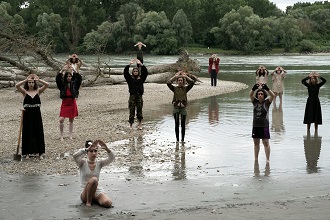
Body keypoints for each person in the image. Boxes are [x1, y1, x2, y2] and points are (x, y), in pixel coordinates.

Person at [73, 139, 115, 208]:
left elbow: (112, 158)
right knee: (94, 179)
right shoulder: (82, 163)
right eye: (91, 151)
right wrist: (86, 149)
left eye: (95, 151)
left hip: (96, 190)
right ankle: (88, 202)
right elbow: (75, 156)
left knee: (108, 203)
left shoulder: (99, 163)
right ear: (87, 152)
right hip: (85, 193)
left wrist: (107, 149)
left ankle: (96, 199)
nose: (93, 153)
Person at [15, 73, 49, 158]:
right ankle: (27, 153)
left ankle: (40, 152)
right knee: (27, 131)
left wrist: (38, 79)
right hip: (27, 114)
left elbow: (47, 84)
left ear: (34, 83)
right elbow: (17, 85)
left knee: (38, 131)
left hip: (37, 114)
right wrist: (26, 80)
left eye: (32, 82)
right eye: (29, 82)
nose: (31, 84)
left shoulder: (38, 91)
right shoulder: (24, 92)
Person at [249, 83, 275, 163]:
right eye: (259, 94)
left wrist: (267, 88)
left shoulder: (267, 103)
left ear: (264, 95)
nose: (260, 95)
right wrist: (254, 88)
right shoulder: (255, 102)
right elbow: (250, 95)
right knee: (256, 143)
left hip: (264, 125)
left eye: (262, 94)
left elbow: (273, 96)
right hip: (256, 125)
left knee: (266, 142)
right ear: (257, 95)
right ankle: (256, 159)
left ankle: (267, 159)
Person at [167, 71, 195, 143]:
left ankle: (182, 140)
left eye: (181, 80)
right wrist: (175, 77)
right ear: (177, 81)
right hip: (176, 108)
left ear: (183, 81)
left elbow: (192, 82)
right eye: (179, 80)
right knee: (176, 124)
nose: (180, 82)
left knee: (183, 124)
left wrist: (186, 77)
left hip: (183, 108)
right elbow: (168, 83)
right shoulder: (174, 88)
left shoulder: (186, 89)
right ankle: (177, 140)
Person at [56, 70, 82, 140]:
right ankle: (61, 135)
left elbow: (79, 78)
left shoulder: (74, 84)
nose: (68, 77)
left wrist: (75, 71)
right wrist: (62, 71)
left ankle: (70, 135)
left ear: (72, 77)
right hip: (65, 102)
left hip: (72, 102)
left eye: (70, 76)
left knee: (71, 120)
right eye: (67, 76)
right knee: (61, 119)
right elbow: (58, 79)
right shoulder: (62, 84)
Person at [123, 59, 148, 129]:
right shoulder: (129, 79)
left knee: (139, 110)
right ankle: (131, 124)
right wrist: (129, 64)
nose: (135, 72)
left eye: (137, 71)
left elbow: (145, 72)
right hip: (132, 96)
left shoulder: (141, 78)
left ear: (138, 72)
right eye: (134, 71)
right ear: (132, 72)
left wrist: (141, 65)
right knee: (131, 110)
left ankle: (140, 124)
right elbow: (125, 73)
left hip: (139, 96)